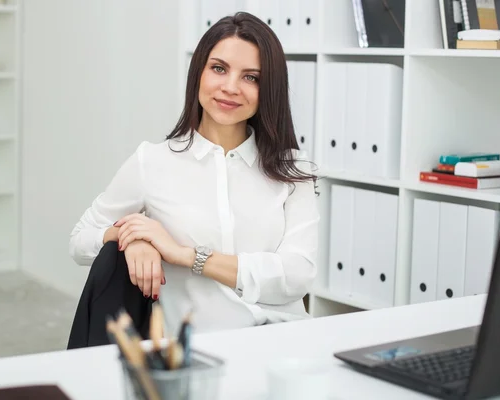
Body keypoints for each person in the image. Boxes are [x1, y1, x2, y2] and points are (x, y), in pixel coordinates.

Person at [69, 12, 320, 334]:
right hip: (197, 351)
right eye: (219, 69)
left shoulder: (295, 168)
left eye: (251, 77)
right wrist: (131, 240)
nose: (230, 87)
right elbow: (80, 240)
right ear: (198, 73)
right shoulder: (152, 161)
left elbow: (297, 276)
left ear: (269, 89)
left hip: (284, 339)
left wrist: (187, 256)